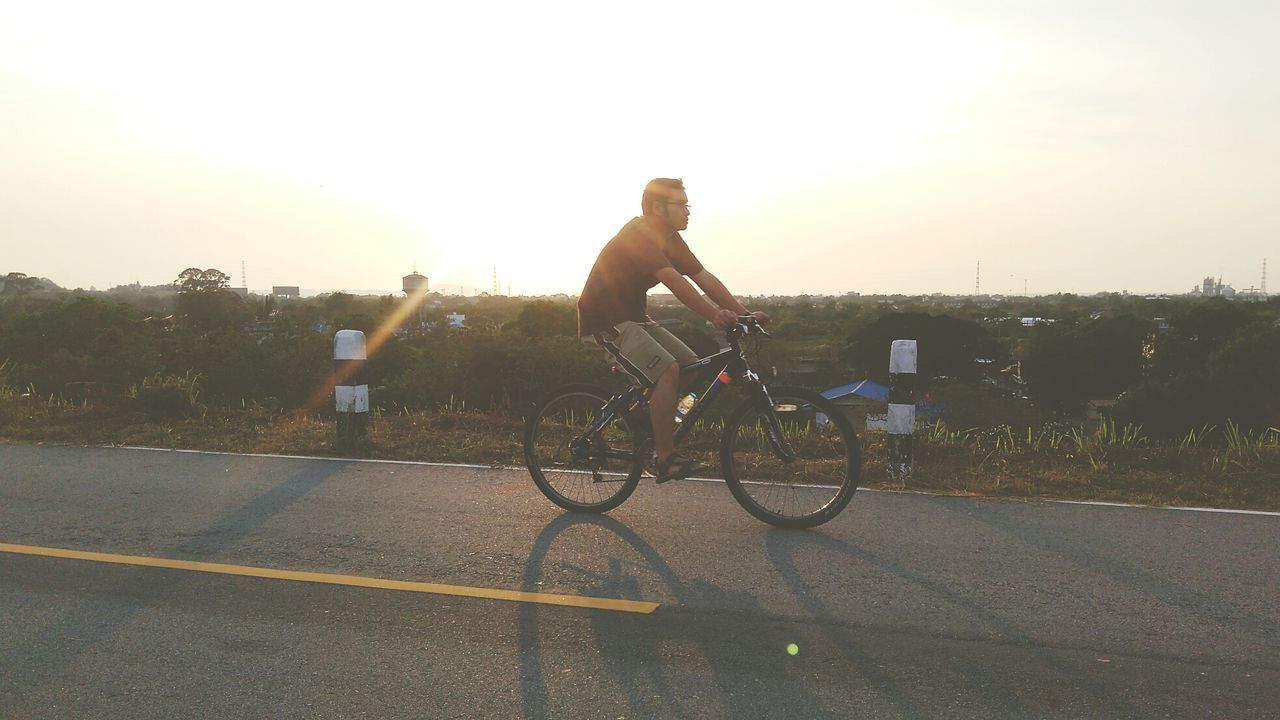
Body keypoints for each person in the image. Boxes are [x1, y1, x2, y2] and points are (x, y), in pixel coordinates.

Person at [577, 178, 770, 482]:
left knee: (689, 368)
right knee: (668, 371)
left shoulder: (669, 238)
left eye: (687, 204)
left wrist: (745, 315)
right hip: (604, 321)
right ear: (656, 208)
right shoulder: (640, 233)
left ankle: (637, 420)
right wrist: (714, 314)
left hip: (633, 318)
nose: (688, 211)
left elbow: (703, 277)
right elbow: (674, 281)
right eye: (680, 205)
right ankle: (665, 457)